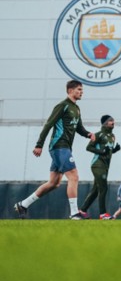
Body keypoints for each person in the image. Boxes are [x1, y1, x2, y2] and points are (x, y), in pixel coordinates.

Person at [14, 79, 95, 219]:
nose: (82, 92)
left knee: (54, 183)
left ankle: (23, 204)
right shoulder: (62, 106)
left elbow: (79, 128)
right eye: (79, 89)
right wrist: (39, 145)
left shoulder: (76, 108)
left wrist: (88, 134)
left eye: (82, 90)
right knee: (74, 176)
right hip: (59, 146)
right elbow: (48, 125)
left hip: (64, 148)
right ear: (70, 90)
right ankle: (74, 213)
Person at [80, 114, 121, 219]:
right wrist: (101, 151)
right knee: (103, 188)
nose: (113, 122)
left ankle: (82, 211)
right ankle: (103, 214)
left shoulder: (112, 136)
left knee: (95, 191)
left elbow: (108, 151)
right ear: (105, 123)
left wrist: (115, 150)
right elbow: (88, 147)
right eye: (111, 120)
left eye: (113, 120)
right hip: (97, 164)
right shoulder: (98, 135)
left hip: (105, 166)